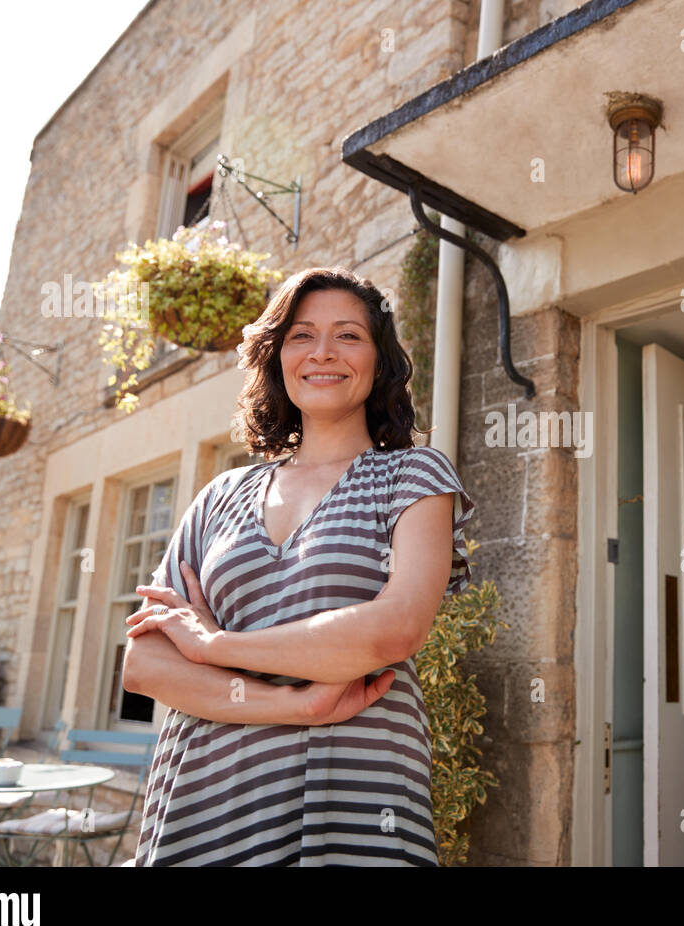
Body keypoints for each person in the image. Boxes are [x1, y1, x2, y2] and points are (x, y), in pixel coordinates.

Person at [120, 267, 474, 865]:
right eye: (302, 335)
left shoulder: (414, 478)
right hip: (204, 797)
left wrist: (213, 646)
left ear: (379, 360)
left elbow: (395, 629)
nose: (324, 353)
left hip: (355, 790)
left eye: (349, 336)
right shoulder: (218, 496)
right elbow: (146, 662)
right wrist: (296, 706)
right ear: (278, 356)